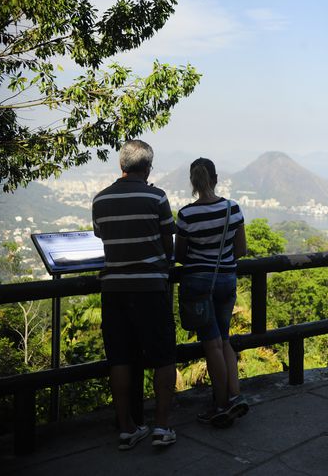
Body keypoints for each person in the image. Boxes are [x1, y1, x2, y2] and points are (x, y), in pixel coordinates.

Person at [91, 139, 178, 449]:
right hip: (150, 288)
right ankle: (162, 427)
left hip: (113, 290)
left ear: (121, 166)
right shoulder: (157, 197)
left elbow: (102, 235)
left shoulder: (100, 200)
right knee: (163, 356)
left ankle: (127, 427)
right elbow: (168, 245)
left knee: (120, 358)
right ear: (148, 168)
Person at [175, 157, 249, 427]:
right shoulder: (233, 208)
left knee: (211, 343)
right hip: (226, 279)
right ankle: (235, 395)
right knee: (224, 340)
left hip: (198, 285)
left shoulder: (186, 215)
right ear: (216, 179)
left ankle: (220, 404)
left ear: (193, 183)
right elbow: (241, 250)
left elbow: (180, 255)